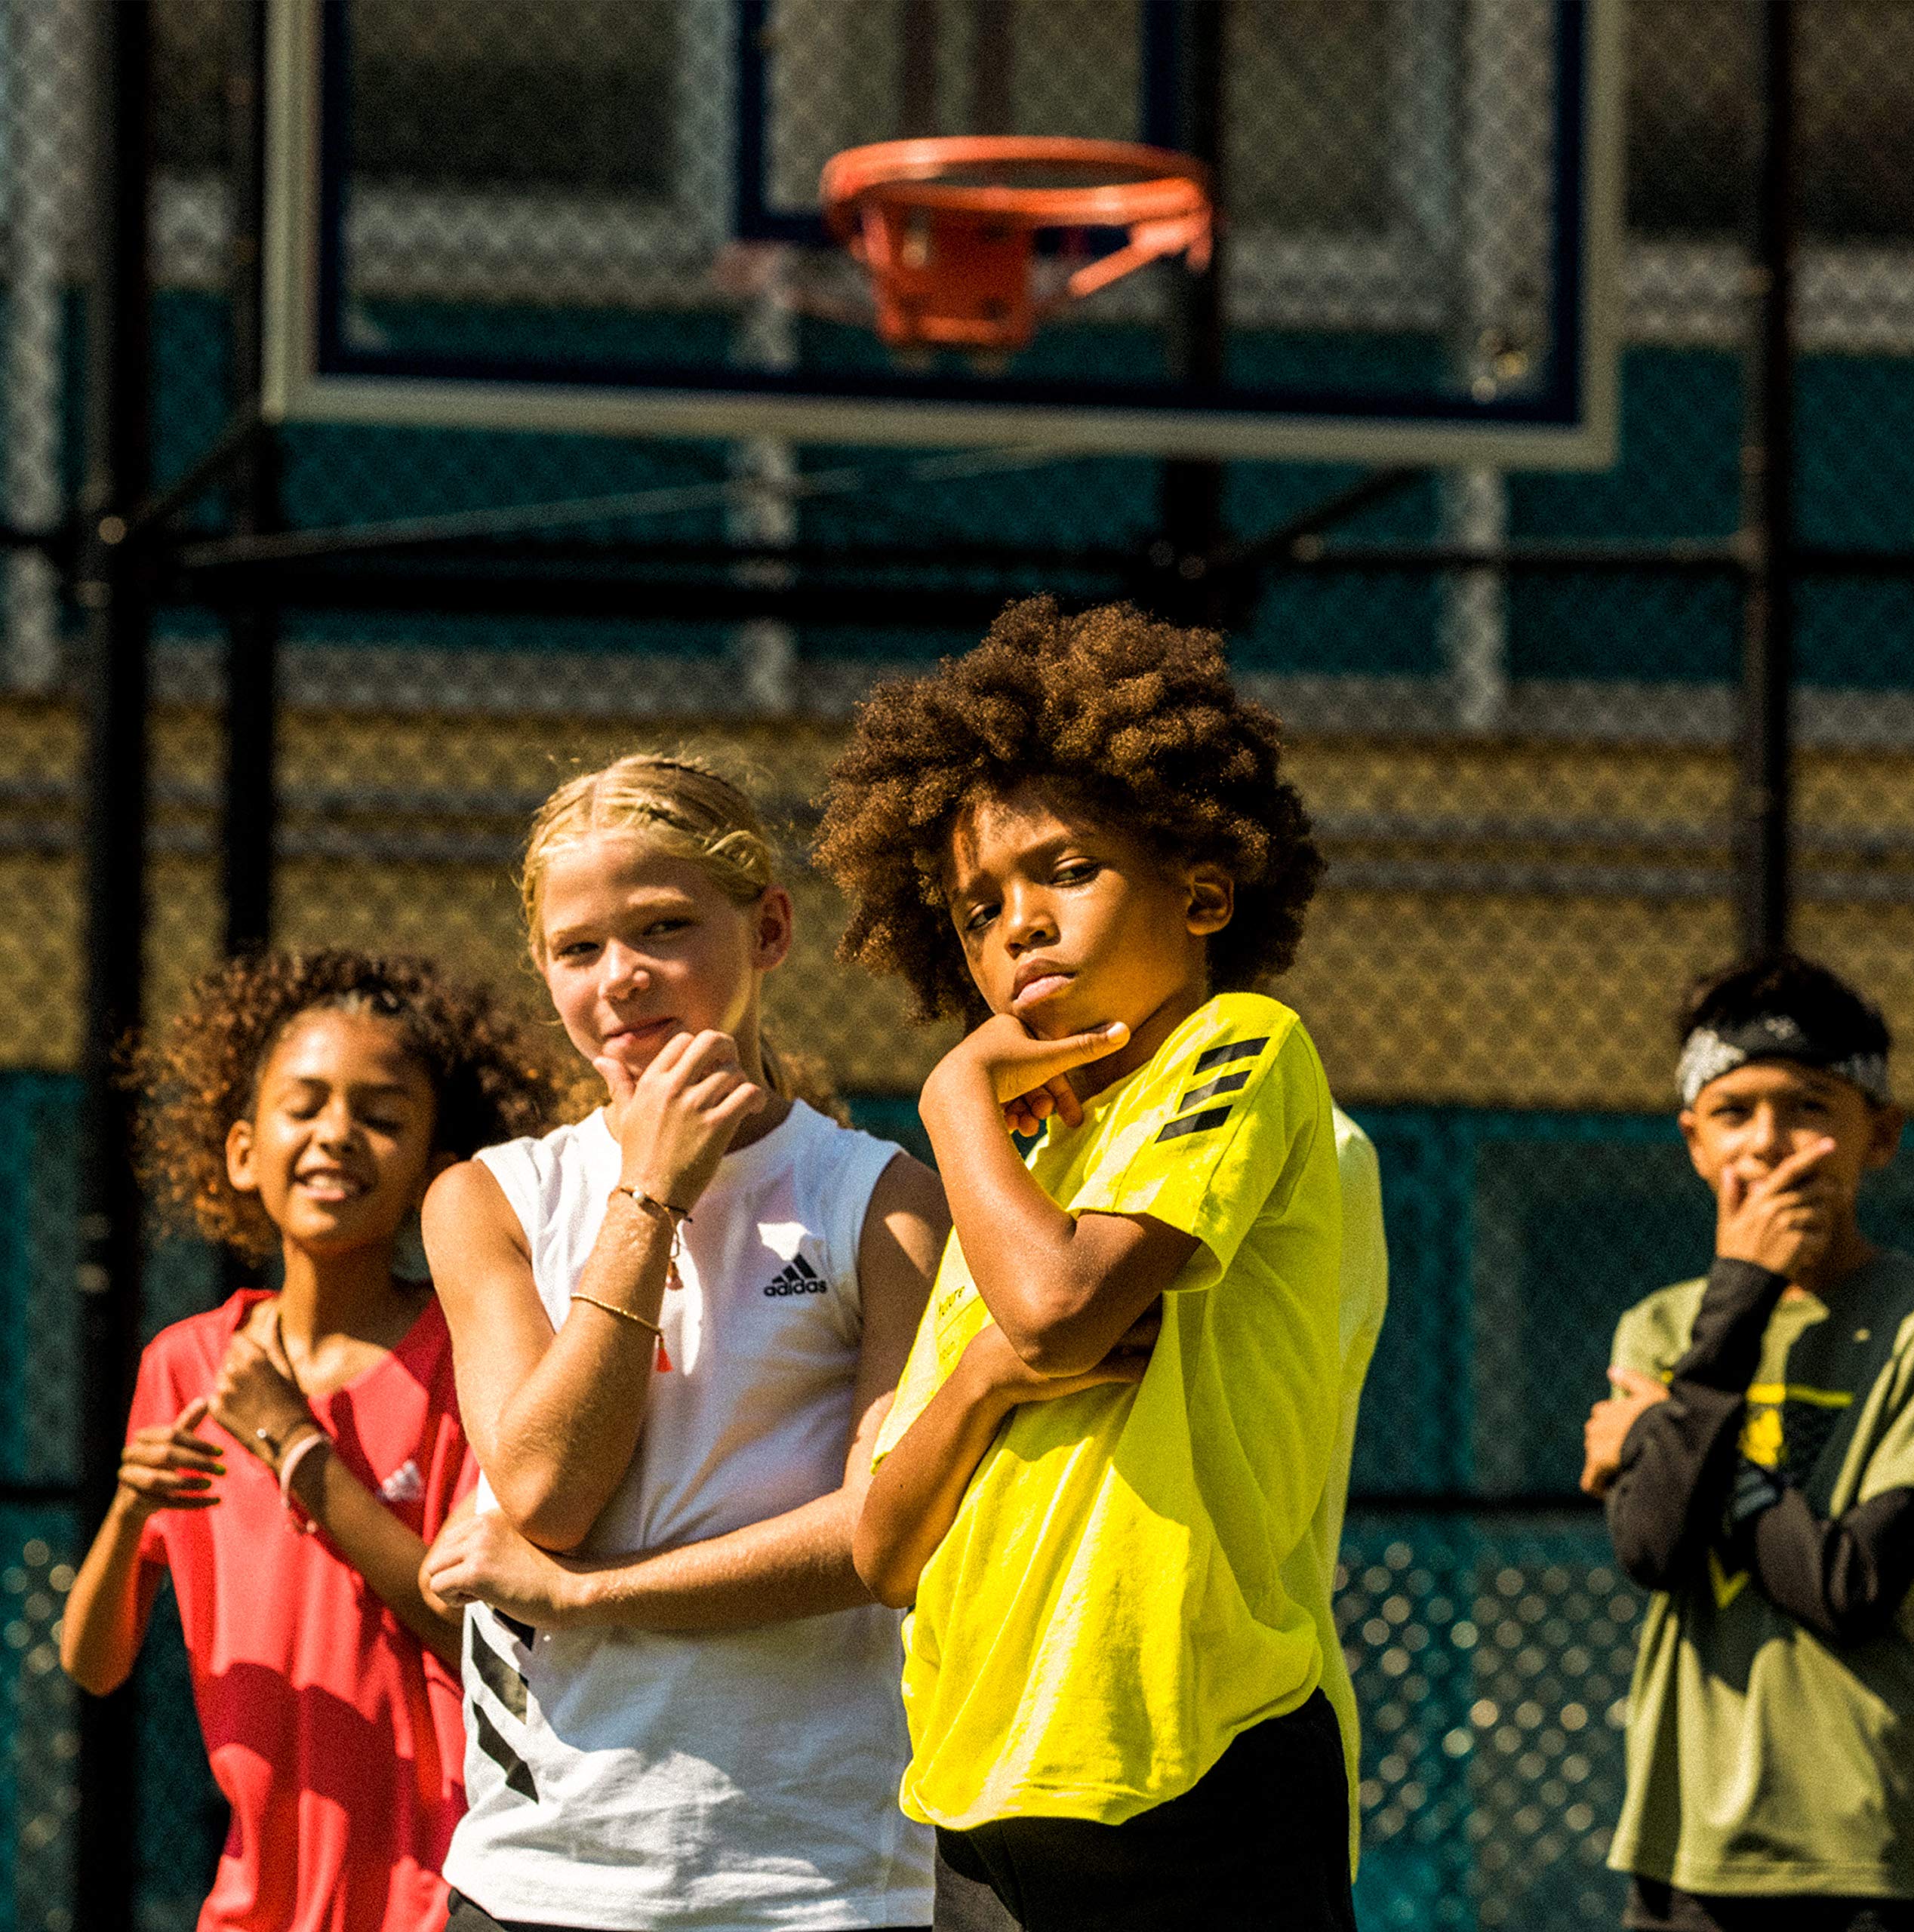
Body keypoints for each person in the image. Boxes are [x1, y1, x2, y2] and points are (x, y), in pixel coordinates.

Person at [815, 596, 1358, 1932]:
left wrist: (950, 1097)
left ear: (1202, 888)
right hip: (984, 1793)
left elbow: (1059, 1310)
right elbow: (883, 1545)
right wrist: (984, 1379)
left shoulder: (1236, 1049)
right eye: (978, 905)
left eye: (1066, 869)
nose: (1019, 925)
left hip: (1197, 1764)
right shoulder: (1019, 1165)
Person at [418, 753, 946, 1932]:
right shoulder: (489, 1200)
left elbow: (880, 1535)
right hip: (542, 1866)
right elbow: (549, 1488)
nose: (622, 979)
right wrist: (649, 1194)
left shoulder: (885, 1200)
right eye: (578, 949)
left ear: (768, 929)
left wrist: (583, 1597)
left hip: (812, 1875)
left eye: (664, 927)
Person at [62, 949, 559, 1932]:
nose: (338, 1134)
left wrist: (295, 1448)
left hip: (445, 1881)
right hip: (257, 1892)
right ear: (244, 1148)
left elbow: (484, 1641)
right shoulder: (184, 1364)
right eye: (306, 1105)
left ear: (435, 1167)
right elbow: (93, 1662)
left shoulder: (468, 1359)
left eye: (381, 1116)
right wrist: (129, 1513)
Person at [1580, 955, 1914, 1932]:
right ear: (1694, 1142)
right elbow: (1653, 1547)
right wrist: (1737, 1299)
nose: (1769, 1145)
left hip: (1873, 1848)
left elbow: (1852, 1584)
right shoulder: (1661, 1328)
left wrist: (1665, 1428)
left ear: (1882, 1136)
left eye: (1810, 1107)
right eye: (1734, 1114)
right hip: (1684, 1839)